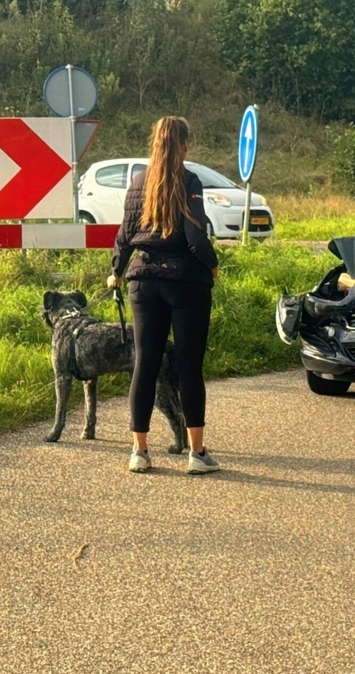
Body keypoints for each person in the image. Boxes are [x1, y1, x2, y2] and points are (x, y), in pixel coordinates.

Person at [108, 116, 220, 475]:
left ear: (155, 143)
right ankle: (197, 453)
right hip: (186, 282)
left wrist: (116, 271)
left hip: (143, 281)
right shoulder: (190, 181)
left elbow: (125, 234)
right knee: (189, 366)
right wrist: (212, 265)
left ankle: (139, 451)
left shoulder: (139, 182)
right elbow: (195, 236)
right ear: (184, 144)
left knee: (145, 363)